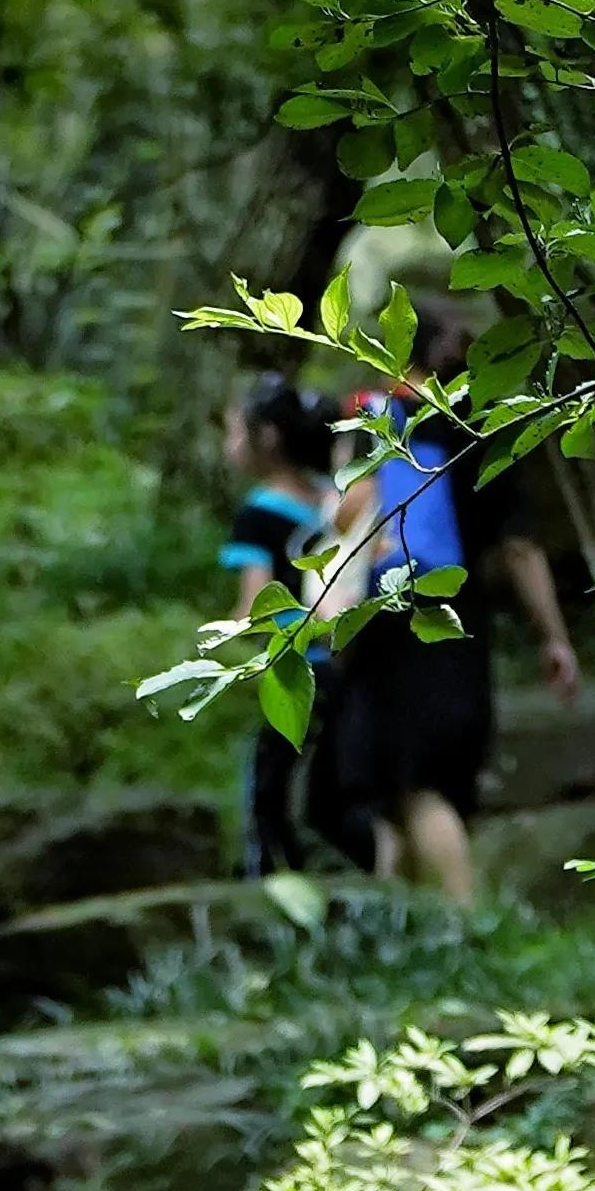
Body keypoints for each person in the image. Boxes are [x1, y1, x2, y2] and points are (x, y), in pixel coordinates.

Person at [303, 303, 582, 904]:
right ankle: (421, 938)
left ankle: (457, 929)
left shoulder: (374, 418)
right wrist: (553, 636)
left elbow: (348, 521)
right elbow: (520, 548)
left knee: (408, 792)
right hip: (458, 623)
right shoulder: (484, 427)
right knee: (422, 790)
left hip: (388, 624)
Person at [213, 373, 338, 873]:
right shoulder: (334, 496)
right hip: (346, 657)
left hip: (294, 666)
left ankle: (270, 882)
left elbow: (252, 609)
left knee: (267, 789)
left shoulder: (257, 514)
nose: (229, 445)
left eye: (234, 432)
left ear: (266, 438)